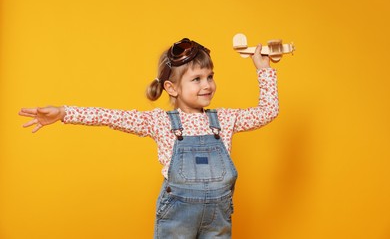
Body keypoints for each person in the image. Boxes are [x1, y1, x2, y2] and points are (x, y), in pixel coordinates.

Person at [19, 37, 279, 238]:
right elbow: (109, 116)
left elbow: (268, 111)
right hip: (177, 219)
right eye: (197, 79)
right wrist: (64, 112)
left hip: (217, 220)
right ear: (172, 87)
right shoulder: (160, 122)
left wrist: (263, 70)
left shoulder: (225, 119)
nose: (207, 85)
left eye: (210, 77)